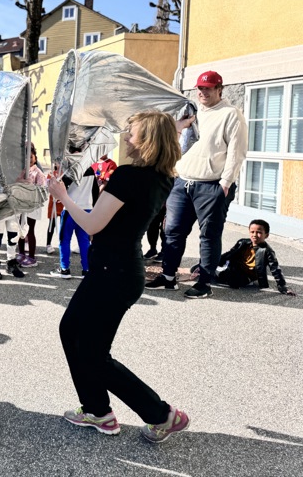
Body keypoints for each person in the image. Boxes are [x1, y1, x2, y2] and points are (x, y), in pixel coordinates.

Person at [49, 110, 190, 444]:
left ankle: (161, 414)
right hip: (120, 271)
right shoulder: (162, 177)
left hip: (113, 273)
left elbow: (93, 225)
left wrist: (63, 196)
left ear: (149, 141)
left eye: (133, 133)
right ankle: (97, 410)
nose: (126, 137)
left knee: (93, 353)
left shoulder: (128, 176)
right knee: (72, 331)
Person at [146, 71, 248, 298]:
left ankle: (204, 283)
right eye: (200, 88)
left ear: (219, 89)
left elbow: (237, 151)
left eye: (208, 88)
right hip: (182, 182)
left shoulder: (231, 114)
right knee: (172, 232)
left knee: (209, 235)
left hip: (212, 185)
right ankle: (168, 277)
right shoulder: (191, 111)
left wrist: (225, 183)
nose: (203, 92)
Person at [214, 219, 295, 295]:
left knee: (233, 282)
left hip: (247, 275)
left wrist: (282, 287)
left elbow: (275, 269)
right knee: (217, 271)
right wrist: (215, 261)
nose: (254, 235)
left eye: (259, 232)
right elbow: (229, 254)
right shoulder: (242, 242)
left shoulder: (267, 251)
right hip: (234, 267)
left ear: (266, 235)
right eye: (252, 232)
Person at [50, 162, 97, 279]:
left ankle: (64, 269)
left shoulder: (69, 170)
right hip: (87, 209)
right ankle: (86, 269)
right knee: (84, 241)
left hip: (70, 209)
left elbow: (60, 190)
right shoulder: (90, 169)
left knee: (64, 240)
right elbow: (95, 191)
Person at [18, 143, 47, 267]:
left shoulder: (38, 172)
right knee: (20, 229)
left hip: (33, 205)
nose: (29, 159)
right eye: (27, 157)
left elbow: (43, 189)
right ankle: (21, 253)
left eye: (31, 157)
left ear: (35, 158)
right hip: (22, 204)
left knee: (30, 230)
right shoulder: (22, 170)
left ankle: (32, 257)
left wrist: (31, 187)